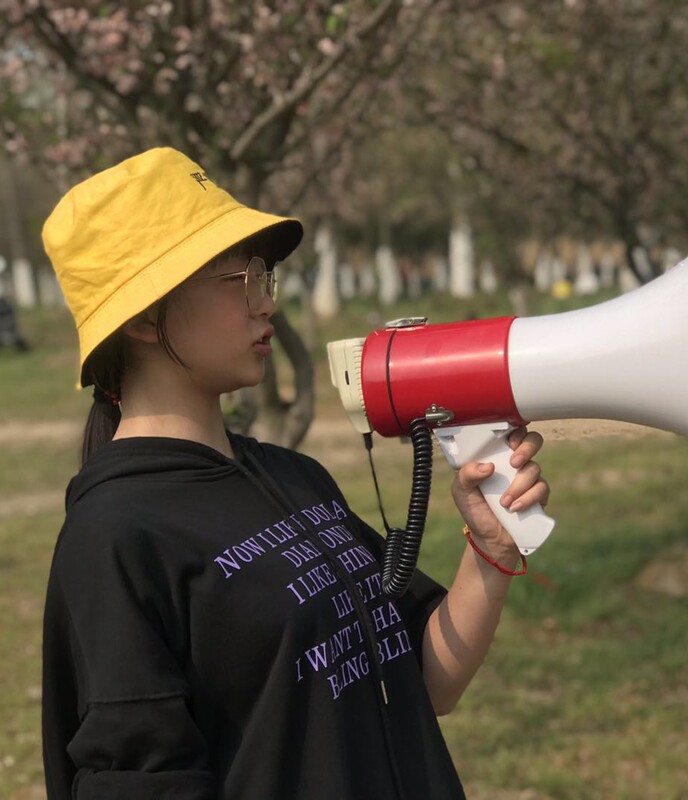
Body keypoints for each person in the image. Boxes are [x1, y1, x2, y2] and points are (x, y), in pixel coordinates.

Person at [40, 147, 550, 800]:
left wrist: (492, 548)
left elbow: (426, 680)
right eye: (242, 280)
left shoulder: (294, 477)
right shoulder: (114, 537)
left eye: (266, 277)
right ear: (142, 316)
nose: (266, 305)